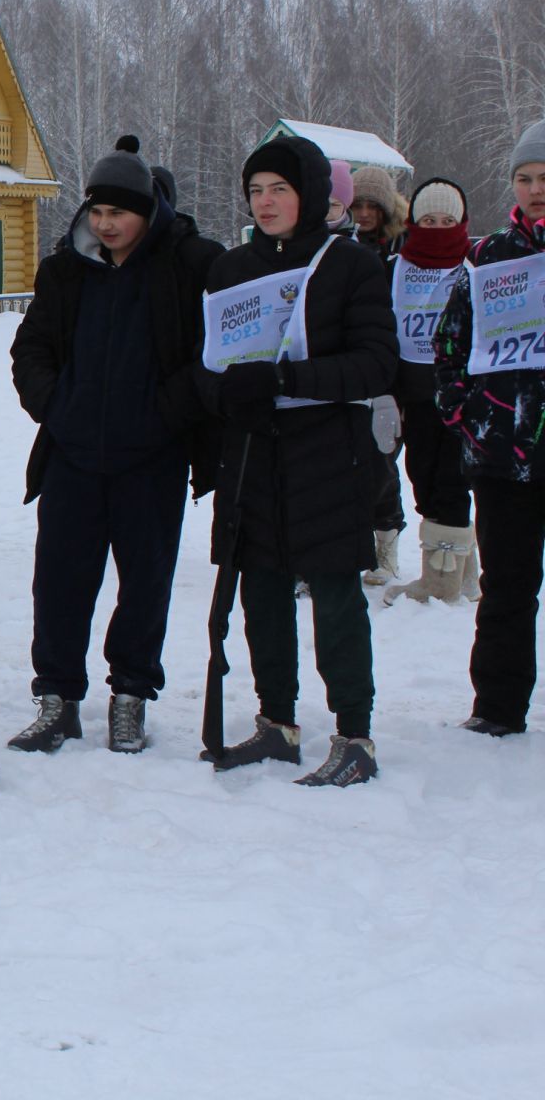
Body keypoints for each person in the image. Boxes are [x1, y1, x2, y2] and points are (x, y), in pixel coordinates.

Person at [8, 138, 223, 753]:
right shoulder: (65, 271)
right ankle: (57, 699)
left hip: (151, 459)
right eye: (97, 212)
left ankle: (129, 696)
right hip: (73, 454)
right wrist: (57, 407)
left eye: (118, 213)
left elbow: (210, 357)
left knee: (145, 582)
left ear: (148, 212)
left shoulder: (186, 268)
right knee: (59, 581)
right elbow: (32, 350)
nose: (106, 225)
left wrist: (163, 416)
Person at [194, 134, 397, 786]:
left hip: (328, 456)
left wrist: (285, 381)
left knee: (335, 593)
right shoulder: (231, 268)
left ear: (309, 192)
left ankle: (354, 735)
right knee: (262, 593)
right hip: (253, 454)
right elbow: (204, 365)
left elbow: (375, 363)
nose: (266, 201)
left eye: (279, 188)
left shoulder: (350, 265)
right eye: (256, 190)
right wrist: (227, 393)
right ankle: (275, 723)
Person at [432, 120, 545, 736]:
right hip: (503, 450)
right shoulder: (487, 257)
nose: (534, 189)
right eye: (524, 178)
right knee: (507, 584)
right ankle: (498, 707)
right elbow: (449, 347)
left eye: (544, 178)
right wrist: (463, 413)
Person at [383, 178, 477, 605]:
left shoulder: (476, 266)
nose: (437, 228)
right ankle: (463, 571)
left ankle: (443, 586)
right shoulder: (394, 267)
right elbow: (381, 333)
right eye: (428, 220)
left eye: (446, 221)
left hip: (464, 394)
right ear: (413, 222)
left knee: (453, 482)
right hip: (414, 395)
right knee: (421, 478)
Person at [351, 165, 411, 582]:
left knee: (383, 460)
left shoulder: (405, 248)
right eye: (359, 204)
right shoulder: (345, 244)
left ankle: (386, 544)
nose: (365, 212)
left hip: (396, 369)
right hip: (355, 366)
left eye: (373, 205)